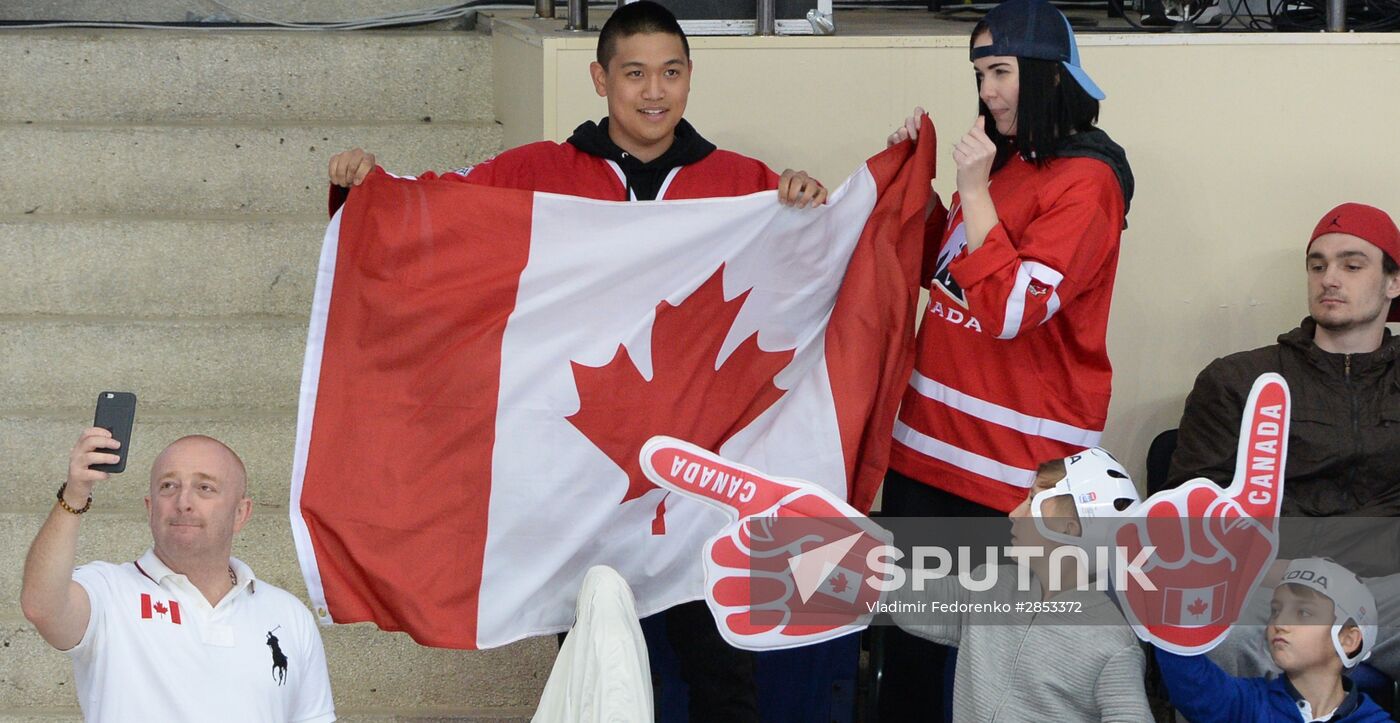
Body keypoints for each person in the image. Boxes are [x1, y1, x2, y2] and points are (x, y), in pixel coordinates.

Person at [325, 4, 831, 719]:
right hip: (582, 470)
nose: (655, 91)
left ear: (690, 78)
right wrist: (369, 190)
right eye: (635, 73)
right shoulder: (536, 171)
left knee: (723, 676)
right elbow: (437, 210)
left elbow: (808, 271)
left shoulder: (743, 182)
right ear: (600, 78)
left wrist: (808, 206)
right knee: (594, 667)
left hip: (701, 484)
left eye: (672, 72)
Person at [878, 0, 1133, 716]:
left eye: (1000, 72)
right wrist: (914, 184)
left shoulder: (1089, 181)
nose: (987, 91)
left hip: (1015, 475)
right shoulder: (1002, 163)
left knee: (999, 676)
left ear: (1047, 75)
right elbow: (950, 269)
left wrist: (970, 189)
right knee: (914, 666)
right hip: (928, 456)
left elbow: (1014, 309)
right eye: (980, 74)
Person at [20, 428, 335, 722]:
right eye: (168, 486)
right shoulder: (108, 590)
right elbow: (42, 606)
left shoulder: (289, 615)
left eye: (205, 488)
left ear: (241, 513)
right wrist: (75, 495)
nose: (184, 502)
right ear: (150, 508)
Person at [1169, 202, 1400, 517]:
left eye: (1352, 267)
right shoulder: (1236, 380)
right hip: (1273, 560)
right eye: (1318, 267)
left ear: (1393, 283)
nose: (1329, 279)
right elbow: (1195, 505)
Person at [889, 448, 1152, 722]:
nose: (1014, 513)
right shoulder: (989, 585)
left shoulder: (1112, 642)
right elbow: (900, 592)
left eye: (1032, 501)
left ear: (1068, 527)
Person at [1155, 557, 1390, 722]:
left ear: (1348, 640)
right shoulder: (1245, 703)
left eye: (1303, 613)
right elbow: (1191, 680)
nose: (1280, 623)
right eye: (1276, 611)